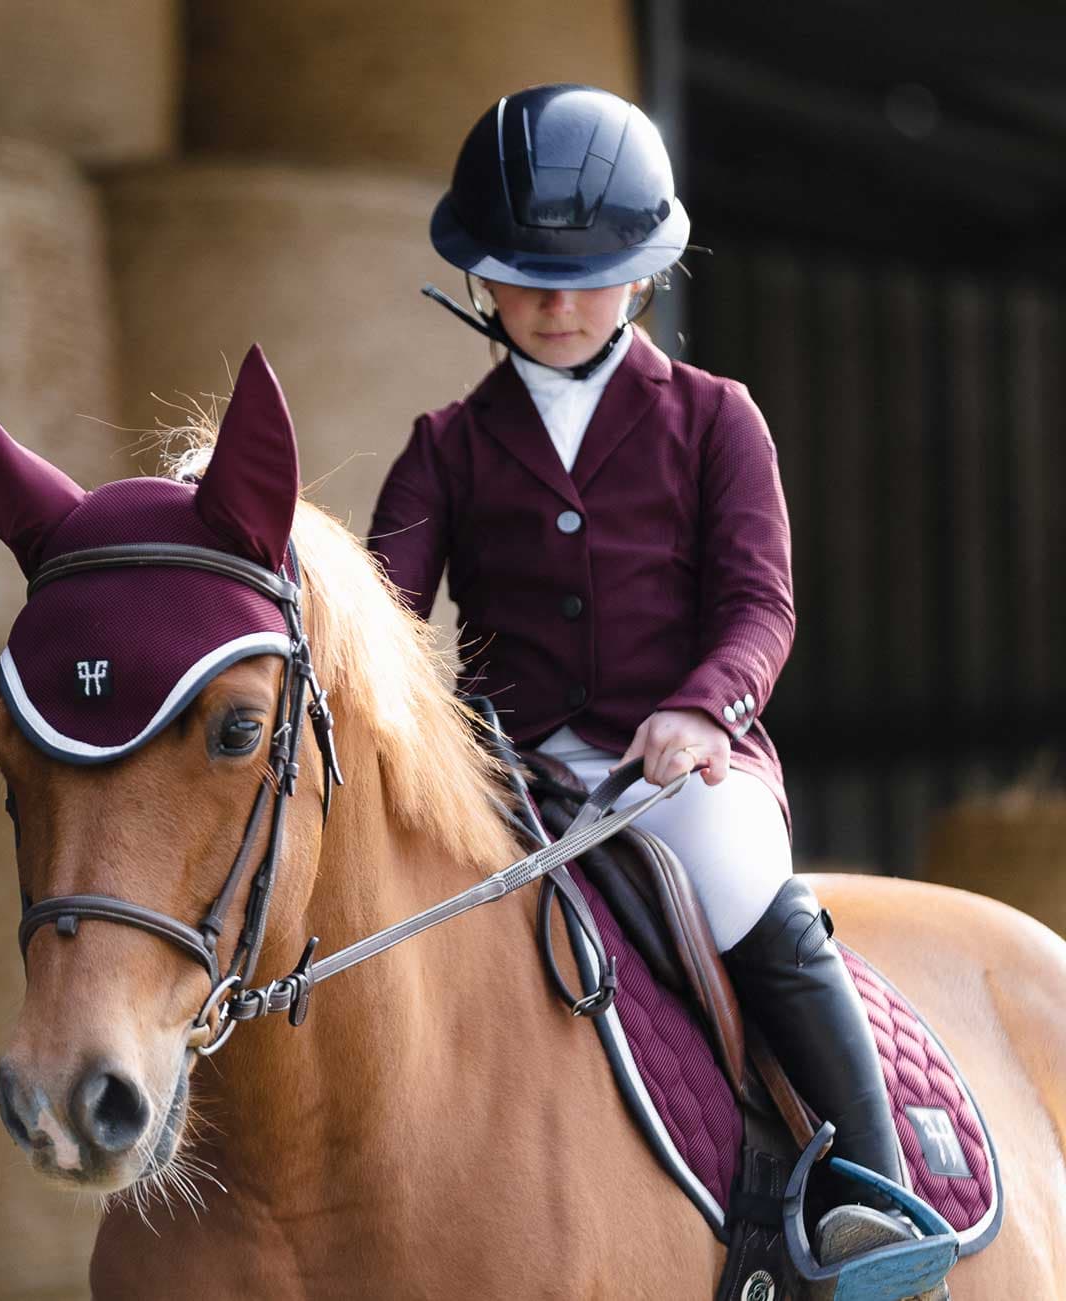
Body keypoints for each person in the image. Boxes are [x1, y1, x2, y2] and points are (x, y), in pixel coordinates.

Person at [367, 83, 934, 1263]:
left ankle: (873, 1200)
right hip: (508, 773)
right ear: (480, 277)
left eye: (585, 275)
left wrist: (698, 709)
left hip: (675, 761)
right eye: (523, 277)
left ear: (644, 273)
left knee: (752, 902)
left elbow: (759, 606)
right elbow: (381, 615)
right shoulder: (446, 447)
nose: (555, 303)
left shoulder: (718, 420)